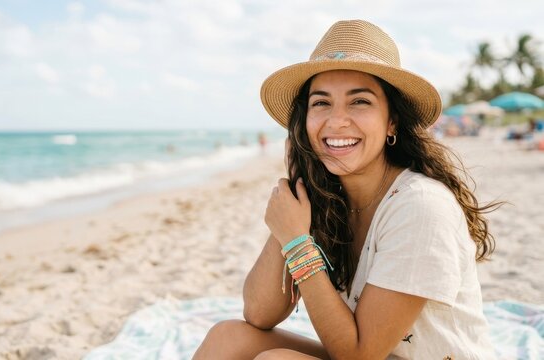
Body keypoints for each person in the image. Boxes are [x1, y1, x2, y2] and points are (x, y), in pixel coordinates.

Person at [194, 20, 500, 359]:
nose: (336, 120)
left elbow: (358, 354)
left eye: (360, 102)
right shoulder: (329, 197)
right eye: (321, 103)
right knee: (228, 338)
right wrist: (292, 213)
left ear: (392, 121)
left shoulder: (421, 206)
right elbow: (258, 313)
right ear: (304, 120)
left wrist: (298, 245)